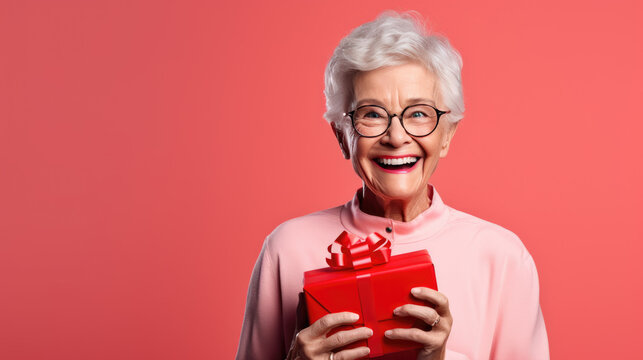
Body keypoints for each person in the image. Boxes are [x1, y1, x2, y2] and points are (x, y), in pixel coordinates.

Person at [236, 11, 549, 360]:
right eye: (371, 114)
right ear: (343, 136)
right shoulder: (286, 249)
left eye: (418, 113)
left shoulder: (502, 257)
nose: (396, 137)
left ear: (446, 136)